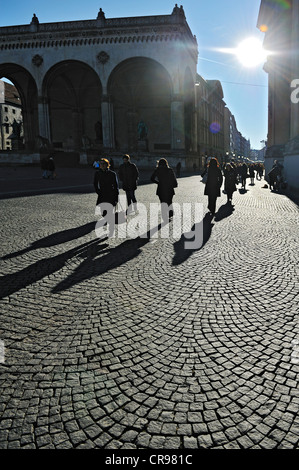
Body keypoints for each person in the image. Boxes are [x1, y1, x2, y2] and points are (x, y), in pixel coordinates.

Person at [94, 158, 119, 224]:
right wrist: (97, 191)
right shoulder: (98, 173)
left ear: (107, 164)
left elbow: (116, 185)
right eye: (101, 164)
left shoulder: (112, 174)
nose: (102, 165)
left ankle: (108, 219)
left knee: (109, 208)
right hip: (102, 193)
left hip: (111, 193)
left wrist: (116, 196)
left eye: (103, 164)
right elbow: (95, 183)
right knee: (103, 211)